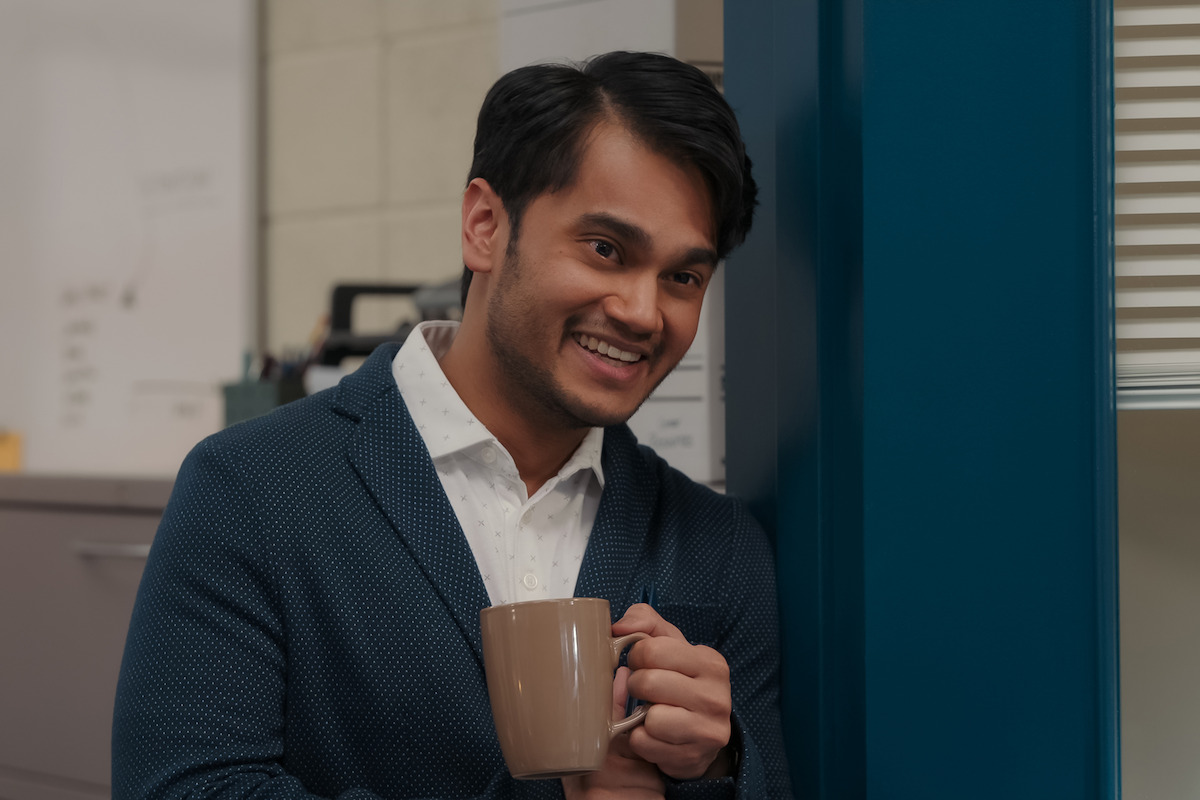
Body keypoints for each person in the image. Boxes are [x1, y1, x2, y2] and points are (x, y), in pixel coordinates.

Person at [113, 51, 791, 800]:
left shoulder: (719, 546)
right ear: (485, 226)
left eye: (682, 277)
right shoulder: (251, 489)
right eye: (605, 249)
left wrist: (716, 768)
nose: (641, 311)